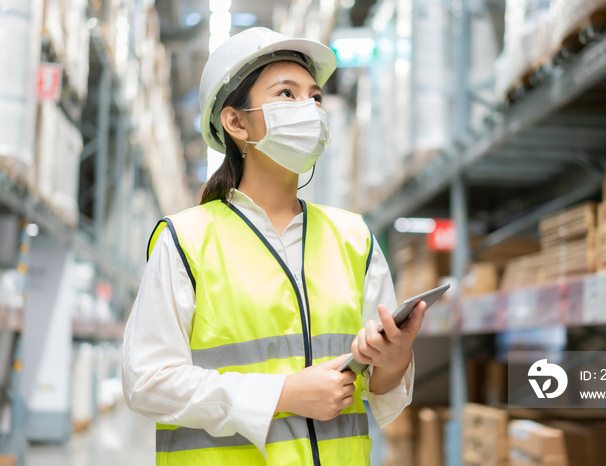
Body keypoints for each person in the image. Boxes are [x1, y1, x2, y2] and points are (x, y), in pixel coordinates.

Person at [122, 27, 426, 466]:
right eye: (287, 93)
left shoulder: (354, 238)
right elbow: (147, 382)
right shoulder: (186, 241)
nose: (310, 109)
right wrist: (283, 394)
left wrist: (394, 360)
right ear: (236, 122)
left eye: (316, 97)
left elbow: (379, 396)